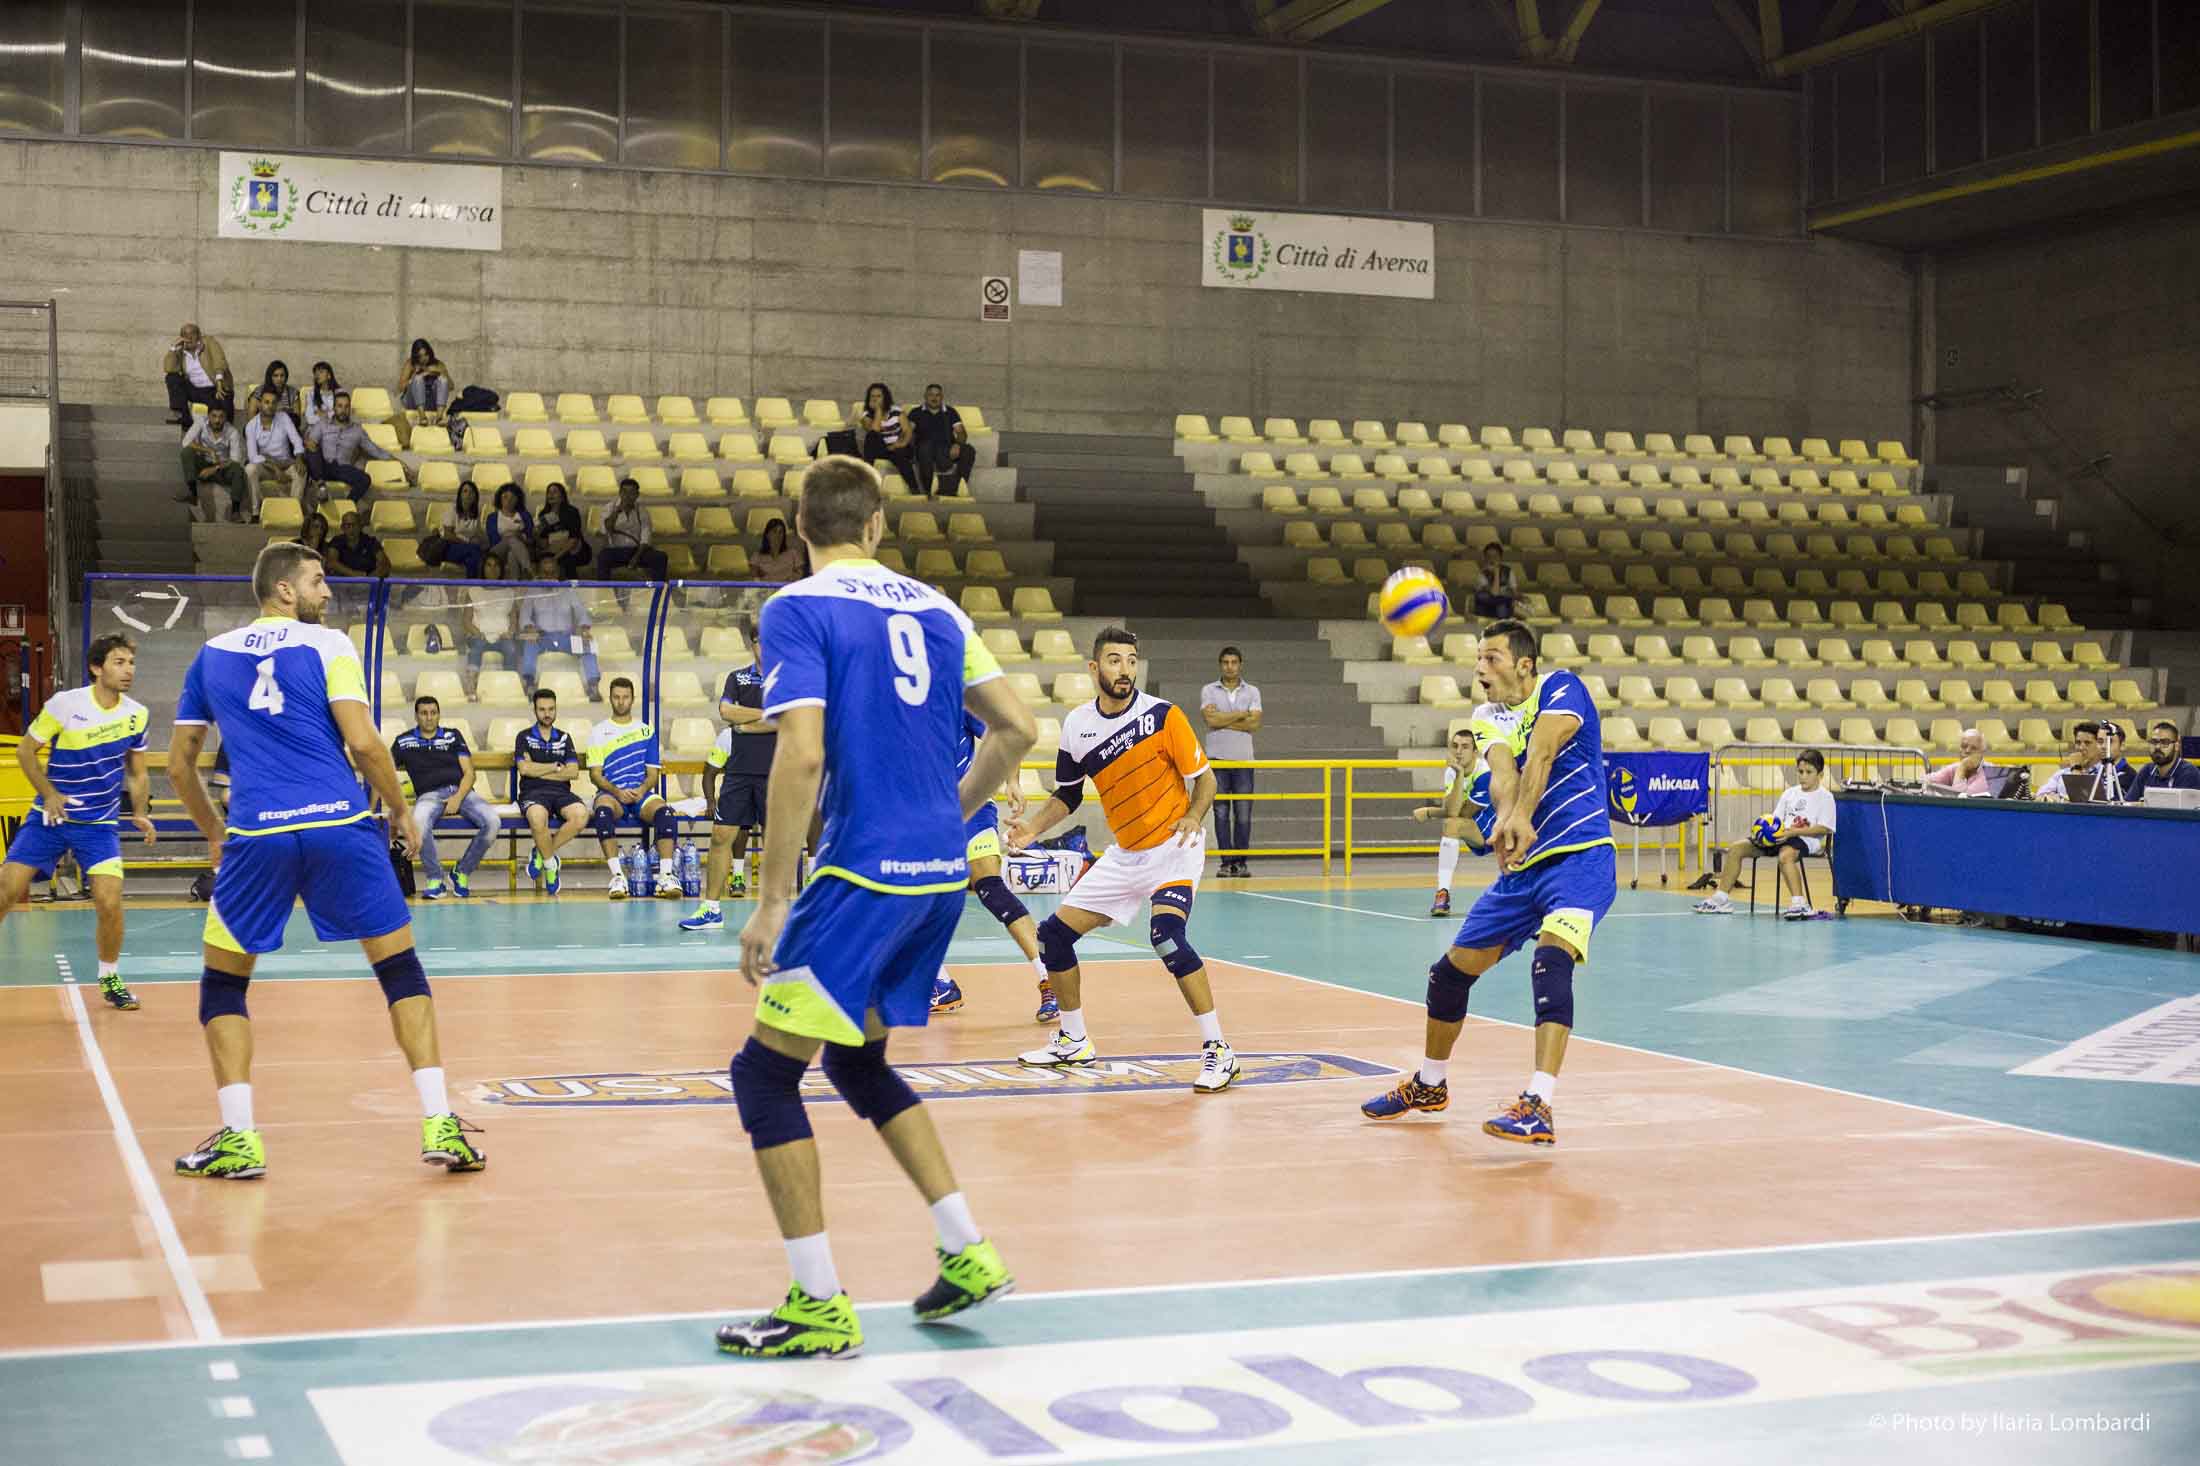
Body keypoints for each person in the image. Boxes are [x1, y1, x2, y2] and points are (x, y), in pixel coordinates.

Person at [714, 455, 1034, 1360]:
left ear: (799, 527)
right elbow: (1017, 728)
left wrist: (773, 899)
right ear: (877, 524)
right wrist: (949, 814)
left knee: (763, 1077)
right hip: (937, 874)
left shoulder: (797, 607)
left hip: (861, 874)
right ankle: (969, 1251)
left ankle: (818, 1306)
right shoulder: (940, 610)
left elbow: (801, 754)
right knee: (858, 1065)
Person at [165, 540, 486, 1180]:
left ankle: (240, 1139)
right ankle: (439, 1123)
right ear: (284, 589)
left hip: (257, 833)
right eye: (317, 581)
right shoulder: (330, 644)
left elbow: (179, 766)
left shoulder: (211, 655)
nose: (328, 591)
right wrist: (400, 811)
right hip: (339, 824)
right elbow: (363, 743)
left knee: (223, 986)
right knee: (400, 970)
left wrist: (215, 835)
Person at [1360, 619, 1617, 1145]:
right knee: (1447, 976)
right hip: (1523, 871)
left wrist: (1522, 814)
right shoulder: (1485, 716)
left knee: (1551, 960)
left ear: (1524, 664)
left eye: (1492, 658)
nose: (1480, 668)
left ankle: (1539, 1104)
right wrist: (1505, 820)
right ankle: (1430, 1084)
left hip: (1581, 858)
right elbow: (1503, 774)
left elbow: (1542, 751)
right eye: (1478, 658)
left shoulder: (1561, 687)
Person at [1003, 626, 1237, 1094]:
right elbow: (1068, 795)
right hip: (1126, 855)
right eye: (1114, 661)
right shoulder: (1077, 725)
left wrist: (1193, 816)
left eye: (1131, 661)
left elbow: (1206, 780)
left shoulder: (1163, 716)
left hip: (1174, 847)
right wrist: (1032, 828)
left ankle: (1219, 1050)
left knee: (1167, 937)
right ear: (1094, 668)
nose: (1125, 670)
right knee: (1053, 936)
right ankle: (1074, 1040)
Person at [0, 635, 155, 1011]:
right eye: (119, 662)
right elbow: (25, 751)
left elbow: (137, 771)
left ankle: (110, 978)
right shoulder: (65, 704)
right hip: (50, 818)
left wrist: (140, 811)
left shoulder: (137, 714)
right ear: (96, 668)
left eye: (131, 663)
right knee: (6, 890)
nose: (128, 670)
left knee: (109, 901)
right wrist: (49, 793)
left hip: (99, 826)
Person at [928, 710, 1058, 1022]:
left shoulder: (955, 695)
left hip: (970, 803)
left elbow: (1004, 731)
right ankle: (940, 985)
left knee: (990, 886)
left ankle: (1050, 976)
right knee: (909, 899)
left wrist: (1012, 781)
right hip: (926, 813)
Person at [682, 641, 774, 930]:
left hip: (777, 772)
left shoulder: (789, 676)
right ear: (752, 644)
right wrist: (764, 715)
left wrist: (745, 723)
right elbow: (726, 711)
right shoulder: (737, 677)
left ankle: (777, 915)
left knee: (776, 843)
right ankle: (711, 910)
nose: (764, 645)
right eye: (758, 640)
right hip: (738, 772)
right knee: (721, 836)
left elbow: (786, 720)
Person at [1694, 748, 1837, 919]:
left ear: (1820, 774)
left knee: (1785, 856)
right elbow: (1775, 819)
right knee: (1736, 848)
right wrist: (1763, 829)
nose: (1803, 776)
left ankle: (1800, 904)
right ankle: (1720, 899)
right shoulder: (1789, 793)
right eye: (1800, 772)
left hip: (1805, 840)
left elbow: (1825, 828)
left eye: (1809, 772)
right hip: (1780, 836)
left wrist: (1793, 832)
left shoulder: (1826, 797)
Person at [391, 695, 497, 899]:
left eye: (433, 713)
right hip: (429, 796)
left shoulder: (452, 735)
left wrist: (457, 798)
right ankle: (435, 879)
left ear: (439, 715)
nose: (429, 717)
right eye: (424, 713)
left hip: (461, 792)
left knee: (493, 821)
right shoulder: (404, 741)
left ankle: (461, 872)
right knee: (419, 821)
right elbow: (384, 769)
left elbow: (470, 773)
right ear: (416, 716)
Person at [587, 677, 680, 899]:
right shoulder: (598, 732)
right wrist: (617, 792)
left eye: (625, 697)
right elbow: (595, 774)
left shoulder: (645, 731)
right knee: (602, 812)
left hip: (641, 793)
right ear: (610, 698)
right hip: (612, 794)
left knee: (666, 813)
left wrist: (641, 789)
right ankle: (618, 877)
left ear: (633, 699)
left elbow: (652, 774)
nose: (621, 702)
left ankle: (665, 877)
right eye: (616, 697)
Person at [1411, 726, 1491, 919]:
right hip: (1479, 827)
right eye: (1455, 746)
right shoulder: (1452, 772)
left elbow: (1466, 812)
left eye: (1465, 746)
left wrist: (1430, 812)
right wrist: (1459, 774)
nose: (1458, 751)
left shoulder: (1485, 773)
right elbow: (1453, 812)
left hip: (1501, 826)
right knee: (1451, 825)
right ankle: (1442, 894)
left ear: (1475, 752)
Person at [513, 688, 588, 896]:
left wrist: (538, 770)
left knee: (581, 816)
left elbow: (573, 772)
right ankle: (550, 864)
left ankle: (542, 851)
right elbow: (524, 770)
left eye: (551, 709)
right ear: (534, 710)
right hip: (532, 792)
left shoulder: (564, 737)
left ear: (556, 709)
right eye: (542, 709)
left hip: (561, 792)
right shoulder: (524, 737)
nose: (547, 714)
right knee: (537, 818)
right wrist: (555, 767)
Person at [1200, 646, 1262, 878]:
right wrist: (1241, 714)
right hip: (1217, 761)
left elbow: (1254, 724)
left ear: (1240, 665)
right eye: (1225, 662)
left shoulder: (1253, 691)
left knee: (1243, 814)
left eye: (1234, 662)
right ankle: (1226, 863)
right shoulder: (1208, 690)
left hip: (1244, 761)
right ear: (1220, 665)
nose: (1230, 666)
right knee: (1221, 813)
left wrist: (1222, 719)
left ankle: (1241, 863)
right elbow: (1210, 721)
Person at [518, 563, 601, 699]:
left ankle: (593, 686)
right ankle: (530, 684)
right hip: (542, 638)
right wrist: (529, 628)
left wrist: (584, 629)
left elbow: (581, 611)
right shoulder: (533, 591)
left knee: (588, 644)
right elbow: (524, 614)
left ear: (557, 574)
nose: (549, 577)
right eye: (545, 573)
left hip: (566, 638)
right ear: (540, 574)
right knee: (529, 643)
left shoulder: (567, 590)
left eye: (552, 573)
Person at [301, 390, 396, 509]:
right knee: (311, 447)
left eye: (346, 407)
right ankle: (321, 486)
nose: (343, 410)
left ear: (350, 409)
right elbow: (310, 443)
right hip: (322, 466)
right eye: (340, 406)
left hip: (342, 468)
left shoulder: (357, 430)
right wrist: (310, 444)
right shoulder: (323, 424)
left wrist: (398, 462)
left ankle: (347, 505)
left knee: (365, 479)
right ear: (334, 408)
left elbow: (375, 450)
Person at [177, 403, 248, 523]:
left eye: (221, 417)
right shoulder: (201, 423)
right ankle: (192, 493)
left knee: (238, 469)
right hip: (203, 463)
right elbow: (186, 442)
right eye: (214, 416)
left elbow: (235, 460)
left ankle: (235, 512)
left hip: (222, 468)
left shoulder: (232, 432)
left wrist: (214, 469)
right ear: (208, 415)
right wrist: (209, 450)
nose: (217, 420)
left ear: (225, 418)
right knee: (187, 452)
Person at [458, 557, 520, 693]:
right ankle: (472, 683)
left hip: (503, 637)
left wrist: (509, 633)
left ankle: (510, 684)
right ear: (483, 568)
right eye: (489, 565)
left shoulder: (510, 592)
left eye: (496, 565)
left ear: (501, 569)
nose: (493, 569)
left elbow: (514, 619)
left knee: (511, 649)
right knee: (476, 647)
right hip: (479, 636)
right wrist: (477, 633)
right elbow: (466, 620)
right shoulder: (473, 591)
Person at [243, 388, 307, 516]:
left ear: (277, 404)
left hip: (286, 464)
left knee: (301, 471)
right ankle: (256, 513)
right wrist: (275, 468)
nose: (270, 406)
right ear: (260, 404)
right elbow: (253, 456)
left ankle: (293, 512)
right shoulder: (251, 426)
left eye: (273, 402)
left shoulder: (283, 418)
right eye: (266, 402)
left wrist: (299, 459)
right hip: (266, 467)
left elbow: (296, 440)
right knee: (250, 469)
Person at [908, 384, 975, 499]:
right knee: (925, 447)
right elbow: (907, 432)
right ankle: (928, 491)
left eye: (937, 395)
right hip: (924, 448)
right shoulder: (916, 412)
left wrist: (957, 444)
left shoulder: (950, 412)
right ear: (925, 396)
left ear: (942, 397)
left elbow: (961, 432)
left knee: (968, 450)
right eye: (931, 395)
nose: (934, 398)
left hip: (946, 448)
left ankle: (954, 489)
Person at [596, 478, 670, 580]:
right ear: (620, 493)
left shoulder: (642, 511)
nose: (627, 496)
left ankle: (657, 589)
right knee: (603, 557)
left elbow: (646, 537)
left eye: (631, 493)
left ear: (637, 495)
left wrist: (636, 557)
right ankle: (603, 589)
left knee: (660, 557)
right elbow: (606, 529)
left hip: (638, 550)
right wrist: (616, 512)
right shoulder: (609, 508)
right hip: (616, 550)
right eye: (624, 492)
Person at [163, 322, 233, 425]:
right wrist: (173, 348)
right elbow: (169, 368)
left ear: (199, 335)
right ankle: (184, 417)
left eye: (192, 334)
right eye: (185, 335)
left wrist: (219, 382)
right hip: (195, 390)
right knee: (172, 377)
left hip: (215, 389)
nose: (189, 337)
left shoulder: (209, 342)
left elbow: (220, 361)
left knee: (223, 421)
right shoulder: (180, 350)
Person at [857, 382, 919, 495]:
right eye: (872, 396)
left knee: (900, 454)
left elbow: (907, 431)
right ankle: (867, 484)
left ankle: (915, 489)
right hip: (882, 449)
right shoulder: (866, 415)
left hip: (899, 446)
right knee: (871, 437)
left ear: (886, 397)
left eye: (878, 396)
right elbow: (874, 430)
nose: (875, 399)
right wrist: (878, 410)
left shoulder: (896, 411)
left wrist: (899, 444)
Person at [2038, 721, 2119, 803]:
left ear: (2099, 745)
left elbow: (2083, 801)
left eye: (2087, 743)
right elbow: (2040, 796)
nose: (2081, 747)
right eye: (2078, 742)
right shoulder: (2063, 773)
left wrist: (2076, 768)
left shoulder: (2108, 774)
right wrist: (2055, 798)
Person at [534, 481, 590, 578]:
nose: (551, 495)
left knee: (566, 560)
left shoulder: (572, 512)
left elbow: (574, 540)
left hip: (573, 549)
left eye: (554, 492)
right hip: (553, 549)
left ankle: (572, 586)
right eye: (549, 492)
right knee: (540, 559)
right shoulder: (543, 514)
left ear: (562, 496)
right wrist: (537, 534)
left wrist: (555, 557)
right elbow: (544, 544)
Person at [437, 481, 490, 580]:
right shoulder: (452, 511)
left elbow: (479, 534)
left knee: (471, 560)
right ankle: (482, 583)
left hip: (468, 549)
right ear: (460, 495)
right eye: (465, 491)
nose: (468, 494)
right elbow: (447, 535)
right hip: (449, 547)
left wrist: (486, 543)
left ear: (475, 497)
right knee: (476, 551)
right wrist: (468, 541)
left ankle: (471, 585)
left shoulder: (475, 515)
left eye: (471, 492)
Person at [1925, 728, 1998, 795]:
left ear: (1982, 752)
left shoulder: (1991, 774)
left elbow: (1962, 799)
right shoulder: (1954, 768)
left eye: (1974, 748)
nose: (1967, 751)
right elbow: (1925, 781)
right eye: (1964, 746)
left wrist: (1962, 768)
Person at [2134, 719, 2199, 794]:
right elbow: (2129, 800)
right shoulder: (2146, 771)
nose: (2157, 747)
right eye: (2154, 742)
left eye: (2165, 742)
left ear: (2177, 746)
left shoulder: (2189, 774)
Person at [485, 483, 536, 579]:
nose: (508, 500)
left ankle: (515, 584)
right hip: (498, 551)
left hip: (521, 551)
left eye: (512, 498)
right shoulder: (492, 517)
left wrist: (519, 537)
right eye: (505, 497)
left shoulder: (524, 515)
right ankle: (529, 570)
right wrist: (511, 536)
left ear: (517, 500)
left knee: (512, 554)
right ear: (500, 498)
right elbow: (493, 541)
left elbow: (531, 540)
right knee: (511, 539)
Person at [397, 337, 451, 422]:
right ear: (416, 356)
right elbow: (400, 388)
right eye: (420, 356)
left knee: (443, 380)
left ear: (430, 353)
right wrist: (415, 376)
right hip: (413, 402)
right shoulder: (410, 364)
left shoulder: (438, 364)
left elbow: (451, 386)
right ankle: (422, 417)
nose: (424, 358)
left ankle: (439, 417)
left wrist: (440, 373)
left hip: (430, 402)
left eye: (426, 354)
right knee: (418, 378)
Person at [328, 510, 393, 579]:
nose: (351, 529)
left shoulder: (371, 542)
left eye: (354, 525)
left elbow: (385, 564)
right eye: (348, 525)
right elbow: (331, 562)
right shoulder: (337, 541)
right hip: (342, 582)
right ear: (342, 528)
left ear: (360, 527)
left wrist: (369, 578)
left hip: (367, 582)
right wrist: (357, 575)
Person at [1470, 544, 1519, 622]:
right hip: (1486, 608)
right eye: (1489, 556)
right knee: (1498, 603)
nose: (1492, 559)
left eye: (1495, 556)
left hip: (1503, 607)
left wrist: (1514, 598)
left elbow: (1514, 593)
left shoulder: (1508, 572)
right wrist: (1496, 572)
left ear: (1501, 557)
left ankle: (1503, 624)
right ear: (1485, 558)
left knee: (1502, 606)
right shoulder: (1482, 574)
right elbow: (1495, 593)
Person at [257, 360, 303, 432]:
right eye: (275, 376)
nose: (279, 379)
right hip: (263, 428)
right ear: (270, 376)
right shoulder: (259, 391)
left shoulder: (293, 392)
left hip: (287, 428)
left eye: (282, 375)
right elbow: (251, 415)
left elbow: (297, 419)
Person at [754, 517, 803, 582]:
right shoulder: (757, 556)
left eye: (781, 532)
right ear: (767, 535)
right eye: (774, 531)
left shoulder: (793, 554)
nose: (778, 535)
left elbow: (800, 575)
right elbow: (754, 578)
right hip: (765, 588)